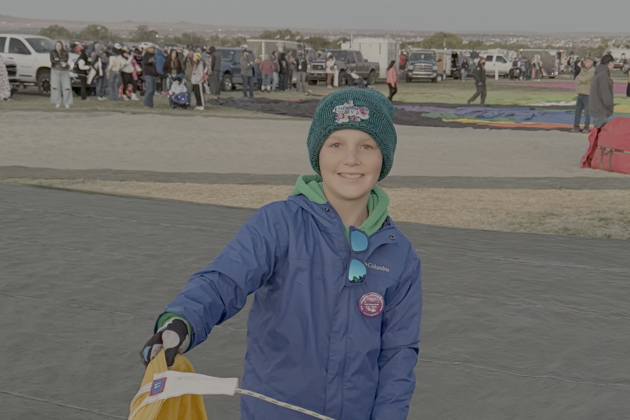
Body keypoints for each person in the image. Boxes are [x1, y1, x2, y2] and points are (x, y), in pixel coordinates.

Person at [140, 87, 422, 420]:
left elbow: (398, 356)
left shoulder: (400, 254)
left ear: (383, 158)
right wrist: (181, 321)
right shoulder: (278, 224)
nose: (351, 159)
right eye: (336, 144)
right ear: (318, 154)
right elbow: (223, 281)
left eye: (367, 146)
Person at [589, 54, 615, 129]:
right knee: (601, 135)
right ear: (609, 63)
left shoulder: (600, 73)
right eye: (613, 63)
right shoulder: (603, 75)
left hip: (598, 109)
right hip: (601, 110)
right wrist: (610, 106)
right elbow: (605, 95)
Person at [571, 57, 594, 133]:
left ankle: (586, 127)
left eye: (587, 61)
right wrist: (582, 79)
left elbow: (585, 79)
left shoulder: (593, 71)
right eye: (585, 61)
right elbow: (576, 80)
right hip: (580, 93)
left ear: (591, 62)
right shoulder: (583, 70)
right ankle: (575, 126)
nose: (585, 63)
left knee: (587, 113)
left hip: (587, 94)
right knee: (577, 112)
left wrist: (581, 79)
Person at [50, 41, 73, 108]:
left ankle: (67, 102)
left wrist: (59, 60)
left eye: (60, 45)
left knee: (66, 87)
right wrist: (59, 61)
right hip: (55, 70)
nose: (58, 47)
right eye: (57, 45)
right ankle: (57, 102)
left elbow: (66, 59)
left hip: (64, 71)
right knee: (56, 87)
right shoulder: (52, 52)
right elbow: (52, 60)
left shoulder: (65, 52)